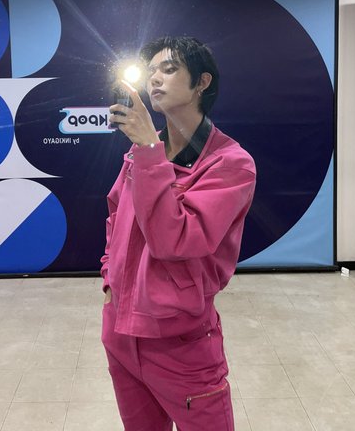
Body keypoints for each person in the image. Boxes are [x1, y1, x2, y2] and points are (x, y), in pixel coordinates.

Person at [101, 36, 256, 431]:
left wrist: (148, 148)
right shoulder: (142, 152)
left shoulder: (231, 164)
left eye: (169, 70)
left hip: (181, 344)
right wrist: (109, 281)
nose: (155, 79)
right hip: (120, 333)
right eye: (151, 71)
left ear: (201, 82)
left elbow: (176, 240)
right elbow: (116, 214)